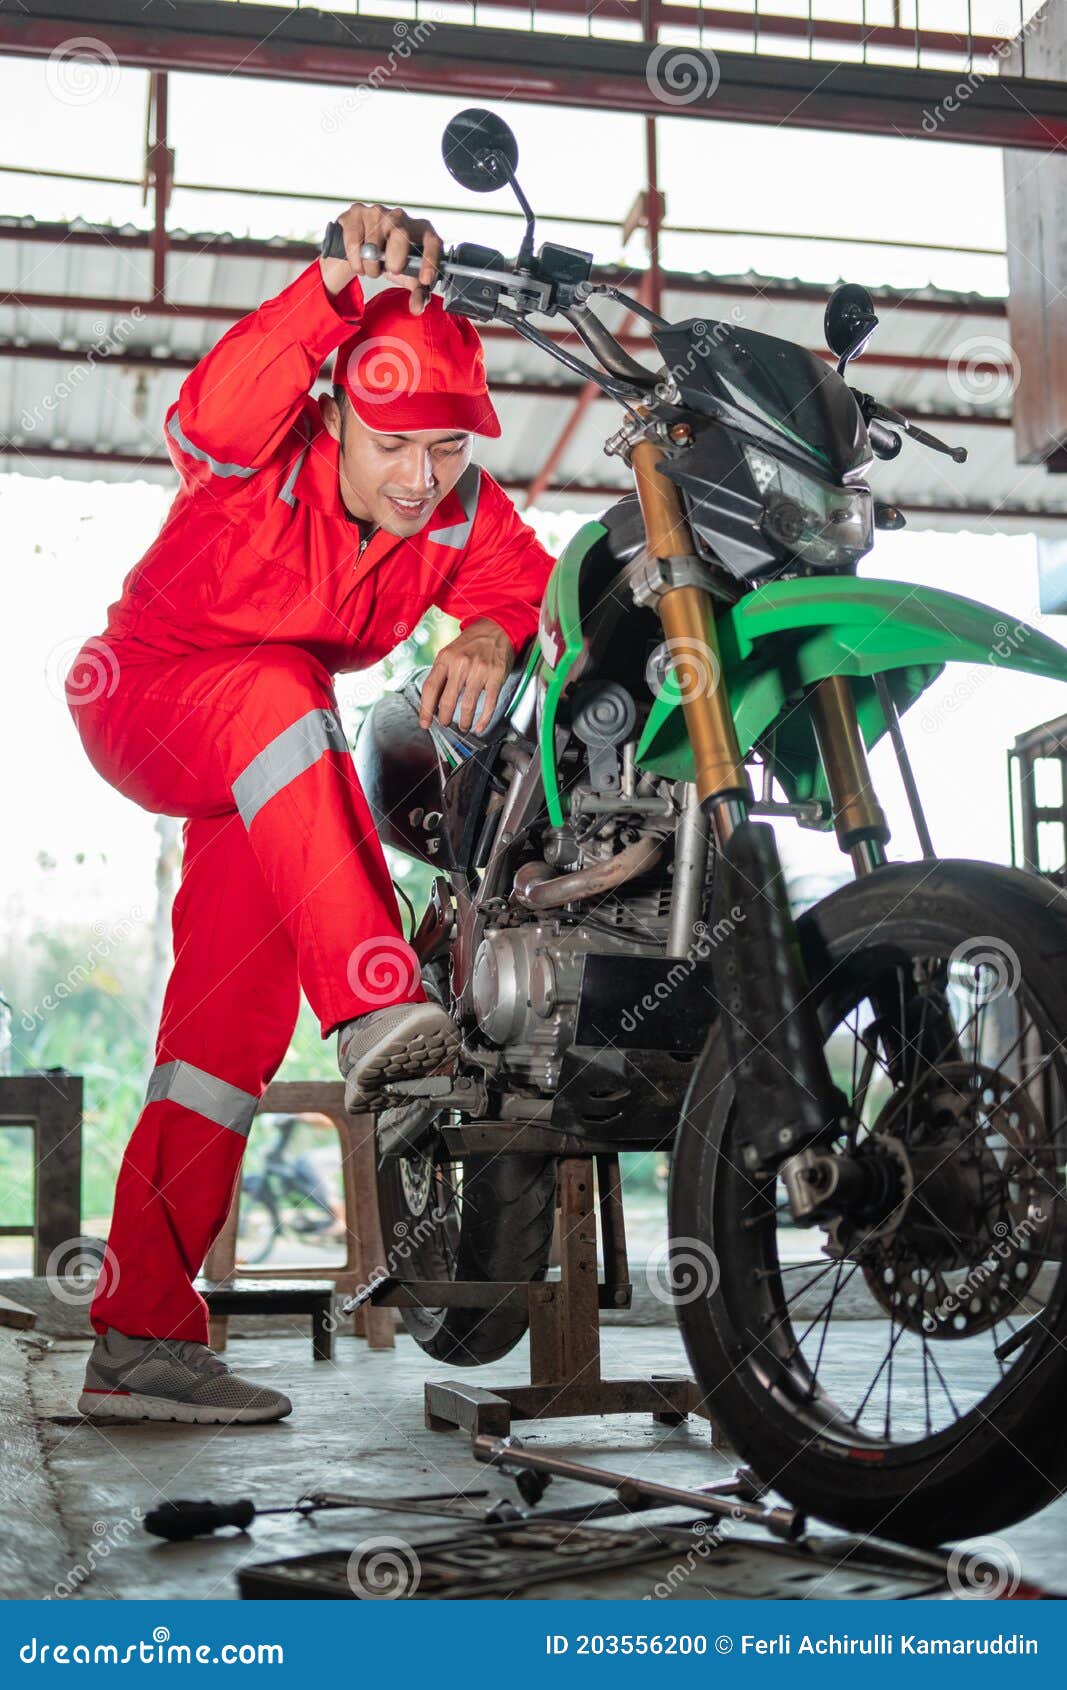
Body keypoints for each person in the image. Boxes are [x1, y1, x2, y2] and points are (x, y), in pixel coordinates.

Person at [65, 203, 555, 1424]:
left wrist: (491, 628)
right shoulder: (257, 455)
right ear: (335, 410)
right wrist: (332, 280)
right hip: (147, 701)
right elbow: (215, 404)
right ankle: (376, 999)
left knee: (224, 1039)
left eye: (445, 447)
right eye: (394, 443)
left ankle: (139, 1338)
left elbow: (519, 579)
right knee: (285, 685)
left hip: (265, 770)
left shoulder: (450, 508)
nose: (419, 476)